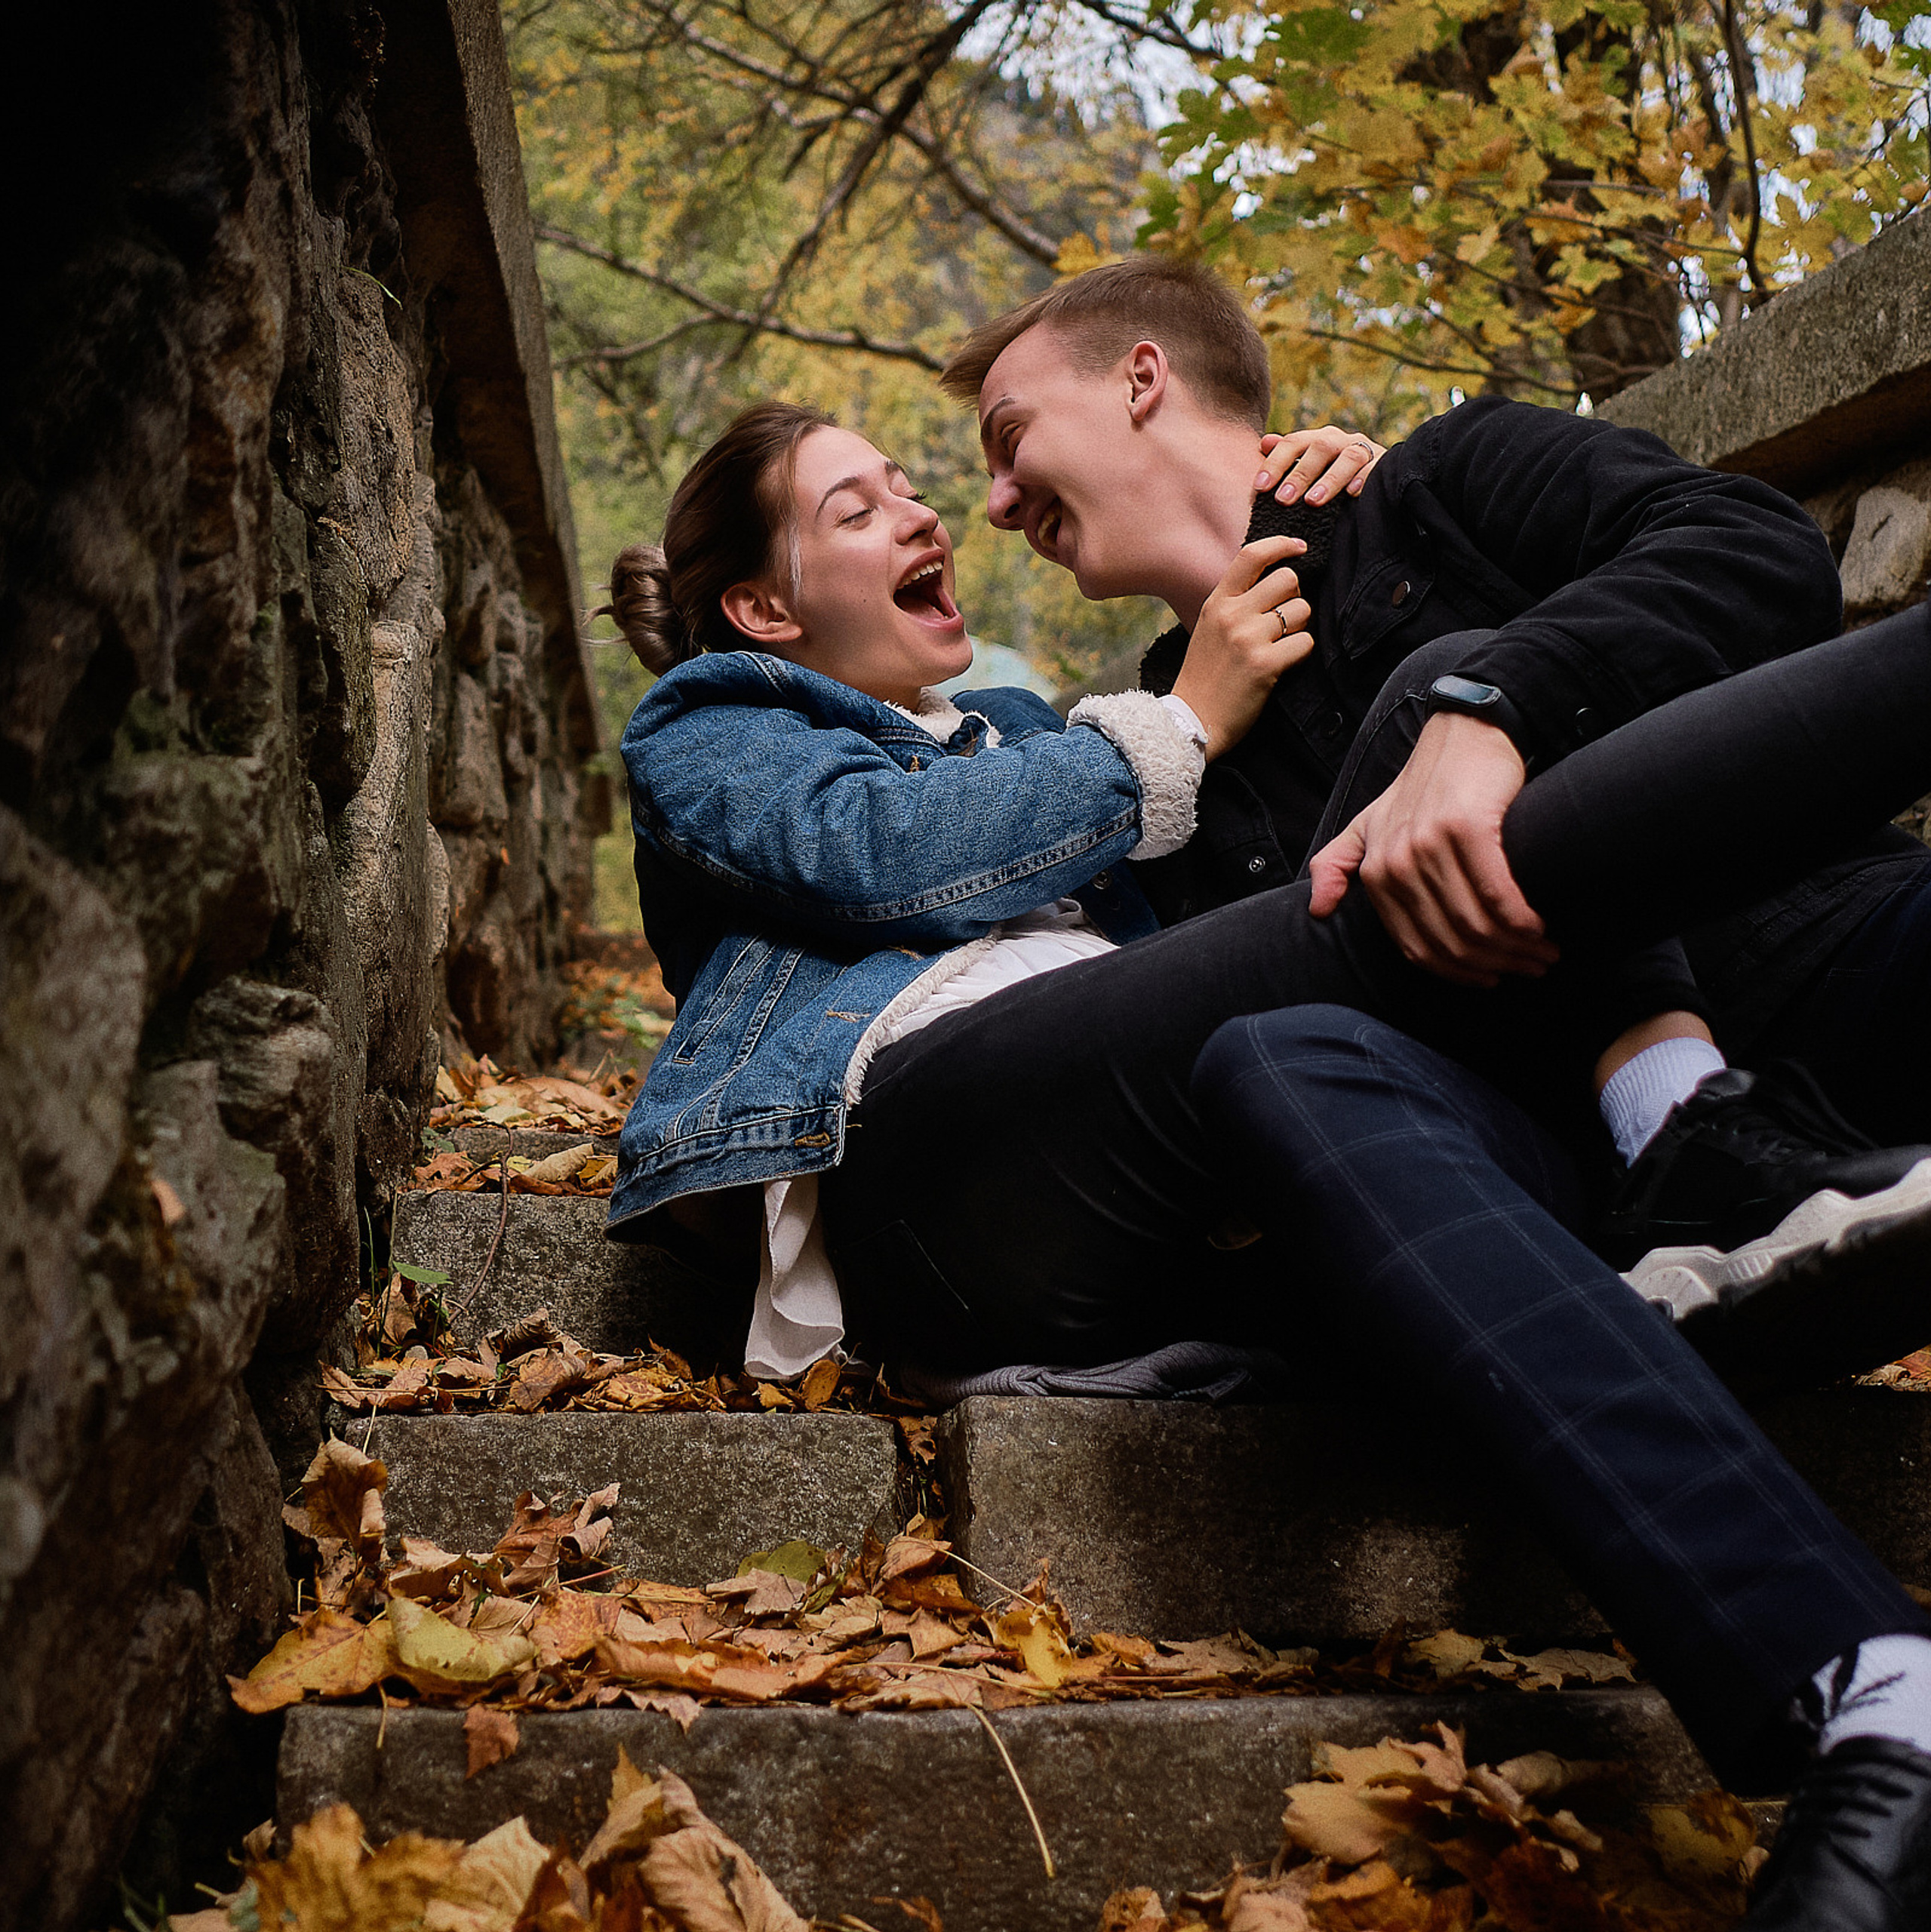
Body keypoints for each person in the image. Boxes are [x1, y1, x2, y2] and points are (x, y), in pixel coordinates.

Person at [601, 399, 1931, 1925]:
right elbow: (884, 857)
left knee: (1291, 1036)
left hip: (1155, 1193)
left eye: (909, 485)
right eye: (857, 506)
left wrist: (1322, 509)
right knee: (1388, 866)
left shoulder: (1040, 729)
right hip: (928, 1146)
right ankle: (1689, 1126)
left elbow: (1250, 853)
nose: (922, 512)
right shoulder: (714, 724)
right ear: (763, 606)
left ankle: (1862, 1684)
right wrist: (1187, 720)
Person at [941, 257, 1931, 1301]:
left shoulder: (1440, 483)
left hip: (1829, 958)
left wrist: (1493, 707)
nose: (999, 507)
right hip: (1569, 1184)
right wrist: (1187, 726)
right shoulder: (1160, 779)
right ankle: (1686, 1160)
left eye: (1011, 441)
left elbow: (1756, 556)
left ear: (1143, 379)